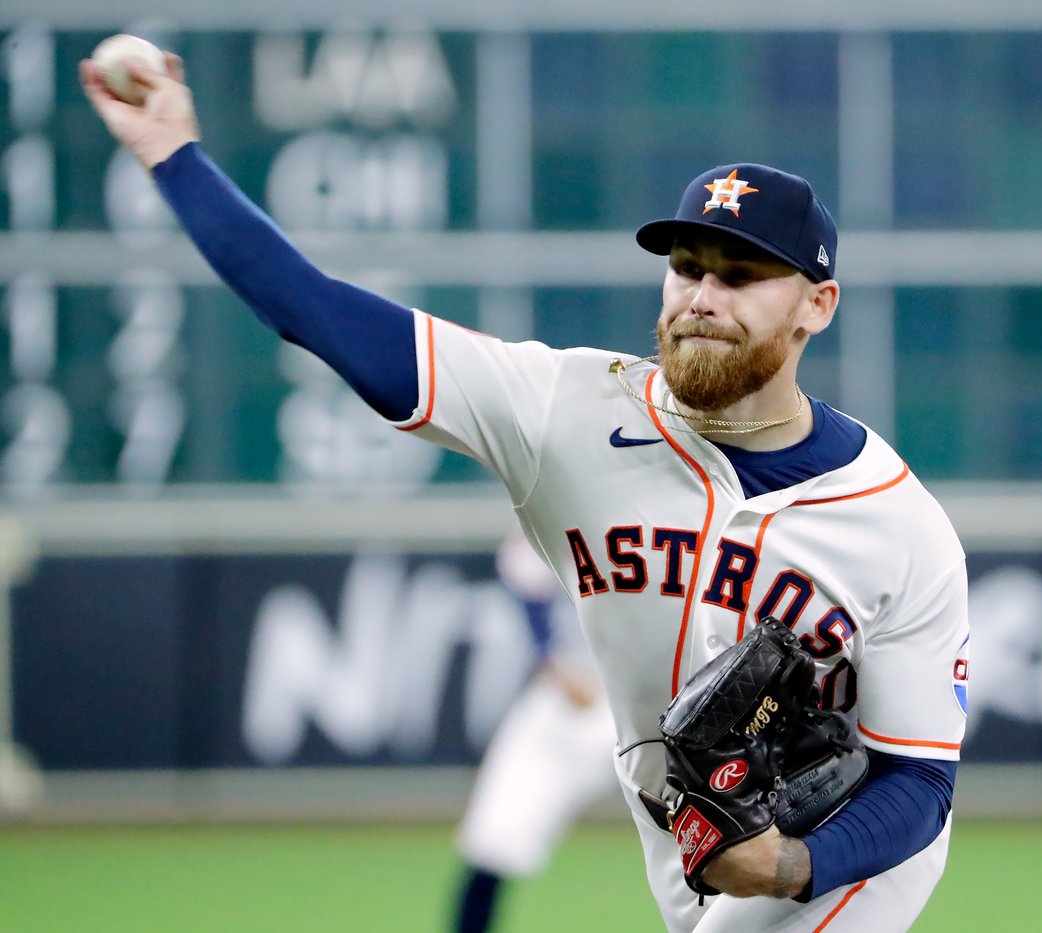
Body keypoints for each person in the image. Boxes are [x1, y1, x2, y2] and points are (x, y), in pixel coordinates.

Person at [82, 51, 971, 933]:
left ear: (816, 306)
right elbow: (314, 308)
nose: (702, 295)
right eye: (687, 266)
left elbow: (922, 780)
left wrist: (792, 862)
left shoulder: (895, 523)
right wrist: (173, 153)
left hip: (837, 851)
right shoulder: (565, 411)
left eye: (739, 277)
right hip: (685, 854)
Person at [452, 530, 617, 933]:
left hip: (656, 702)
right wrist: (552, 661)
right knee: (494, 839)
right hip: (570, 704)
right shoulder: (551, 507)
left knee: (715, 840)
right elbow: (523, 568)